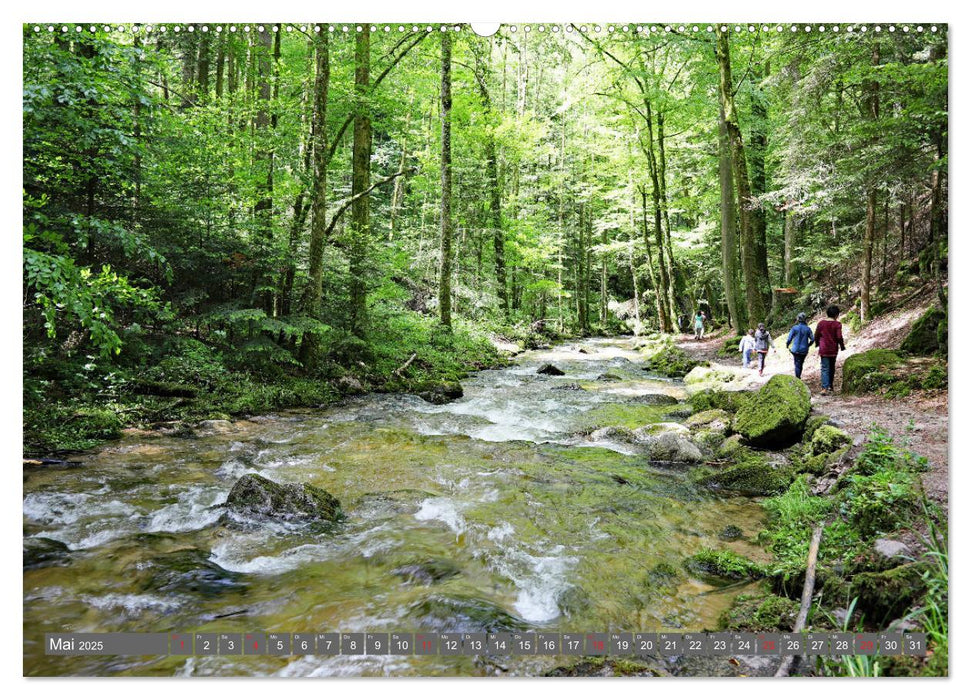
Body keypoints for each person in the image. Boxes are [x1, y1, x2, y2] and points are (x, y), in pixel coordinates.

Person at [815, 305, 846, 395]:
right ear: (836, 315)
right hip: (833, 349)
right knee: (832, 367)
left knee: (825, 368)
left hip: (824, 349)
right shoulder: (837, 324)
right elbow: (839, 337)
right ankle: (830, 386)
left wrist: (817, 343)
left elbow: (816, 335)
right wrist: (842, 346)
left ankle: (824, 388)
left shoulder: (821, 323)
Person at [786, 312, 815, 380]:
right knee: (800, 364)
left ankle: (798, 378)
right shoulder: (808, 329)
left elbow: (789, 339)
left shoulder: (794, 328)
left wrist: (787, 345)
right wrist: (808, 345)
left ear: (798, 319)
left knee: (797, 364)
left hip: (795, 350)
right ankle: (798, 377)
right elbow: (813, 339)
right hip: (804, 350)